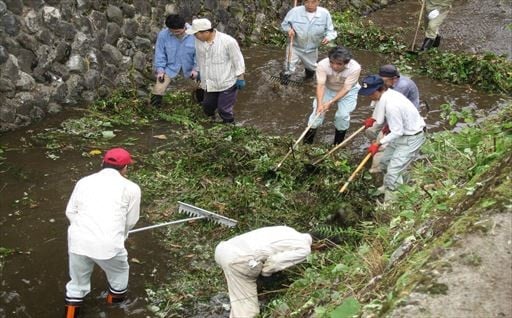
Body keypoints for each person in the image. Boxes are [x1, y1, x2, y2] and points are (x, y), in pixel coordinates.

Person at [64, 148, 141, 317]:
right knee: (119, 274)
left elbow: (70, 212)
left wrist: (83, 229)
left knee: (76, 285)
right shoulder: (131, 188)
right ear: (125, 168)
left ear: (102, 162)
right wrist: (123, 234)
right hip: (109, 245)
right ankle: (114, 308)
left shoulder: (83, 182)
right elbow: (132, 220)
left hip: (77, 241)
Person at [215, 226, 312, 318]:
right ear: (321, 245)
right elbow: (275, 262)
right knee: (248, 311)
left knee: (239, 297)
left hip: (223, 250)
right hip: (240, 260)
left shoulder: (289, 230)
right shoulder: (305, 248)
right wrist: (266, 275)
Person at [359, 75, 426, 202]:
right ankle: (396, 186)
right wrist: (373, 119)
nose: (369, 96)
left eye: (371, 93)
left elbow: (397, 131)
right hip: (401, 135)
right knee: (384, 163)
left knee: (393, 172)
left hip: (411, 137)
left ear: (380, 89)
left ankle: (391, 204)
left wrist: (378, 143)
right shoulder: (387, 95)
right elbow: (379, 108)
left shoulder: (392, 105)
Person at [185, 18, 245, 124]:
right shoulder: (199, 41)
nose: (194, 36)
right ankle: (211, 121)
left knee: (224, 109)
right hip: (209, 81)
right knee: (207, 106)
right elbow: (200, 57)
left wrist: (240, 77)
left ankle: (229, 124)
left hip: (226, 82)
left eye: (196, 34)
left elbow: (238, 60)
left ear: (206, 32)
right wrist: (199, 71)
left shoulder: (228, 41)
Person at [364, 64, 421, 172]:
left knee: (382, 146)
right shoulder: (385, 85)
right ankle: (375, 143)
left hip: (403, 118)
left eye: (384, 80)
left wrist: (383, 135)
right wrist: (373, 118)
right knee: (370, 131)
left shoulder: (401, 87)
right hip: (391, 114)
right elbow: (379, 100)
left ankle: (376, 170)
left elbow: (392, 111)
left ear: (394, 79)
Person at [303, 46, 361, 145]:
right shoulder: (322, 65)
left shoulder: (355, 68)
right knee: (317, 114)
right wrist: (320, 104)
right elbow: (321, 85)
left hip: (348, 91)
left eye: (339, 64)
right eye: (332, 62)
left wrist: (331, 102)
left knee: (342, 116)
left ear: (346, 63)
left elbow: (346, 88)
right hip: (328, 88)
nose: (334, 66)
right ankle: (306, 145)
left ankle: (337, 145)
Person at [280, 0, 337, 81]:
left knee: (311, 69)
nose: (310, 5)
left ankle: (307, 82)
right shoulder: (295, 11)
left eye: (313, 2)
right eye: (307, 2)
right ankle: (283, 86)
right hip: (294, 47)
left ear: (318, 2)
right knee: (288, 68)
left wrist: (328, 37)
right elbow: (284, 24)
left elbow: (331, 31)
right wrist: (289, 30)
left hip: (312, 49)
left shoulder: (325, 14)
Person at [150, 14, 198, 108]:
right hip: (170, 67)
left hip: (191, 67)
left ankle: (200, 106)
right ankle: (154, 110)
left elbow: (199, 54)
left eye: (179, 31)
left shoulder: (194, 34)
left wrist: (196, 69)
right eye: (174, 32)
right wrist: (160, 70)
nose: (177, 34)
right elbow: (160, 53)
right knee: (158, 88)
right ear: (169, 29)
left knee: (200, 87)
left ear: (184, 26)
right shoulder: (163, 35)